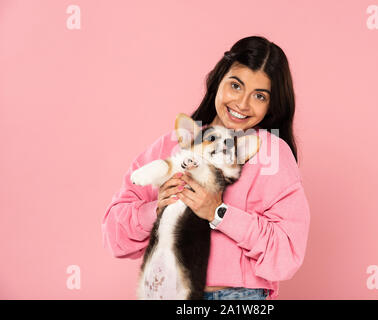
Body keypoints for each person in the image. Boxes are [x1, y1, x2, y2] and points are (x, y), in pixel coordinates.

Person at [102, 35, 310, 300]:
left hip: (236, 297)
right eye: (235, 85)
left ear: (271, 105)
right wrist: (155, 210)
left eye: (259, 95)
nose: (242, 104)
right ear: (218, 80)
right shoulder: (175, 142)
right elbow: (113, 235)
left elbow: (287, 253)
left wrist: (219, 212)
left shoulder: (271, 153)